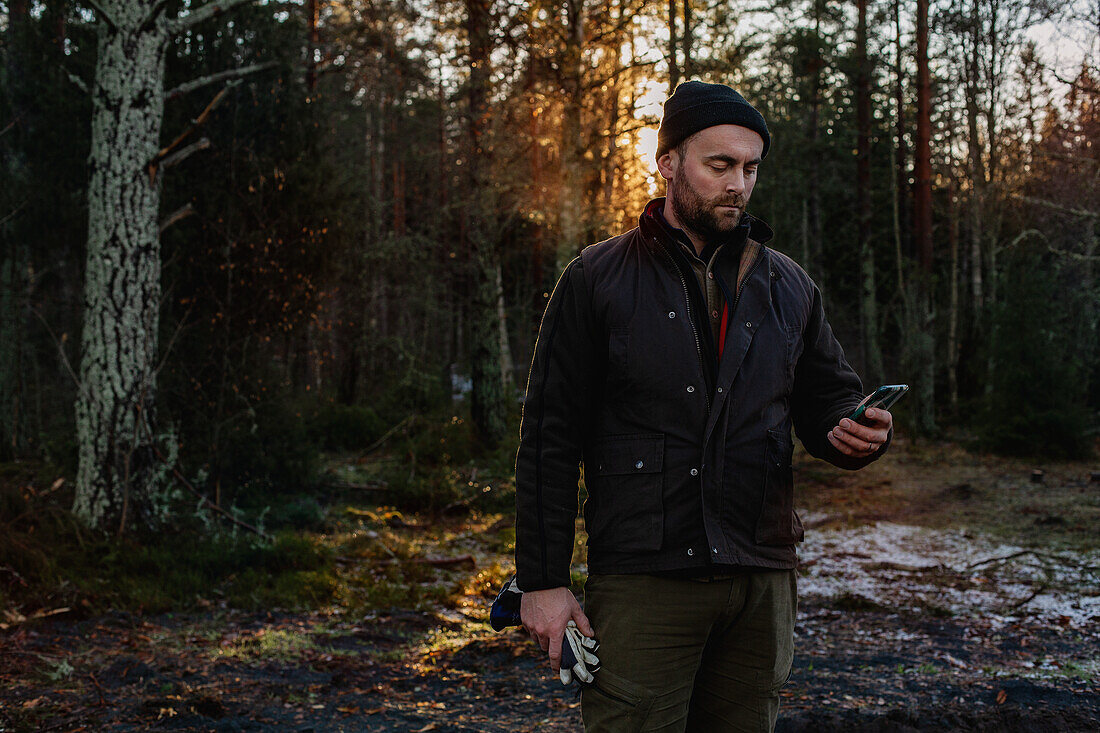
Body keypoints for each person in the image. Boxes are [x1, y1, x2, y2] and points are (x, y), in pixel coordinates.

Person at [513, 81, 893, 732]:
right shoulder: (597, 278)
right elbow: (549, 436)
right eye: (720, 165)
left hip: (760, 580)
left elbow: (827, 398)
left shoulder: (788, 284)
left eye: (750, 168)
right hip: (644, 580)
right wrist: (542, 581)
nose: (738, 184)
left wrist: (856, 429)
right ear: (667, 163)